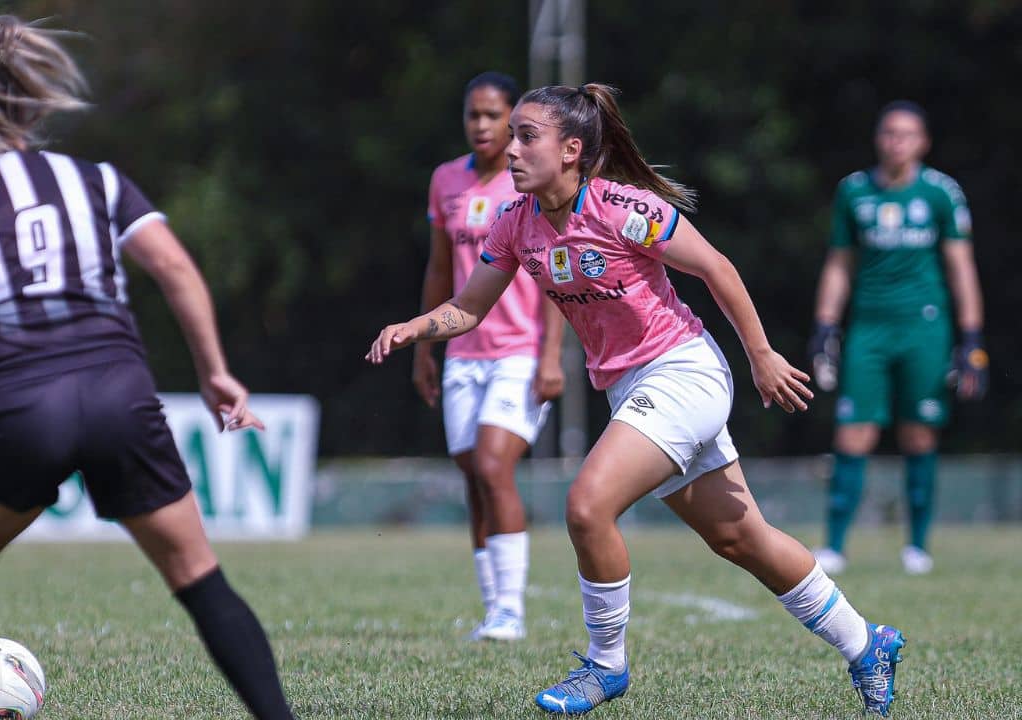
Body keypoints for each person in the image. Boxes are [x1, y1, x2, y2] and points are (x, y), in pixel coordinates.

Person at [367, 84, 906, 716]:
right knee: (741, 539)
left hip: (683, 373)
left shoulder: (623, 207)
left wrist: (761, 356)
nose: (510, 150)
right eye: (510, 135)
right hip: (634, 387)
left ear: (572, 150)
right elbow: (469, 306)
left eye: (526, 136)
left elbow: (717, 268)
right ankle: (867, 642)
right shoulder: (515, 222)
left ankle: (605, 666)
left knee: (588, 504)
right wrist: (414, 328)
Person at [0, 15, 295, 720]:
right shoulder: (97, 182)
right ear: (34, 104)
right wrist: (214, 372)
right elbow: (173, 265)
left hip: (19, 403)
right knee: (199, 577)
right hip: (120, 393)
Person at [416, 71, 565, 641]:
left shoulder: (529, 179)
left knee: (493, 464)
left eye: (492, 115)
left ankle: (511, 610)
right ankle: (492, 604)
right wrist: (425, 349)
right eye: (472, 115)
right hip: (463, 352)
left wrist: (552, 355)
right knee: (472, 475)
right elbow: (438, 268)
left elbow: (556, 271)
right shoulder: (445, 180)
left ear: (513, 121)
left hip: (520, 351)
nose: (481, 125)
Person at [809, 100, 986, 576]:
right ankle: (836, 545)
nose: (896, 142)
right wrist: (826, 324)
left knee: (918, 432)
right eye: (889, 133)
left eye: (906, 134)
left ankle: (918, 546)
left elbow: (961, 266)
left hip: (925, 327)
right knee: (853, 432)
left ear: (923, 142)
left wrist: (972, 339)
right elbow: (839, 263)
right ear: (878, 138)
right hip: (869, 328)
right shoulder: (856, 192)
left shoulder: (940, 193)